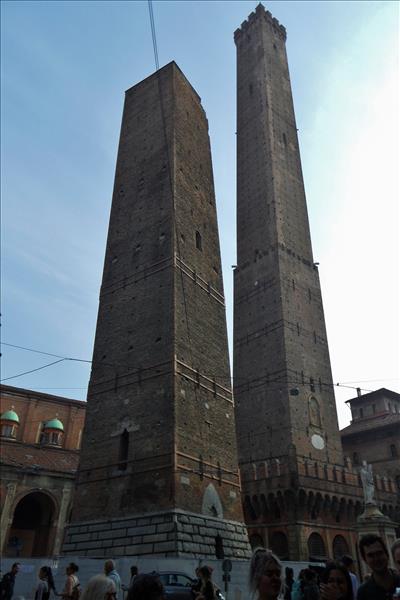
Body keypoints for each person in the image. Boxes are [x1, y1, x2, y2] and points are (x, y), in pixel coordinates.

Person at [357, 534, 400, 599]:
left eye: (379, 553)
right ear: (365, 559)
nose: (376, 559)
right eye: (370, 555)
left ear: (387, 554)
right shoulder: (363, 592)